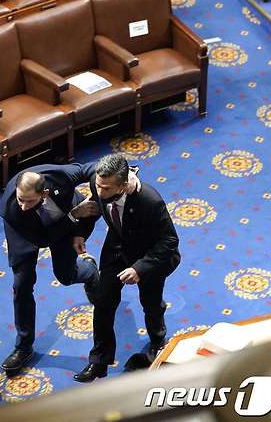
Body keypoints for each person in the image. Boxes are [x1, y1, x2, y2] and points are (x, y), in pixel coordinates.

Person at [0, 163, 140, 375]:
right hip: (26, 234)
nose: (24, 205)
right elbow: (42, 239)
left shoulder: (58, 178)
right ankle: (23, 346)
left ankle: (90, 272)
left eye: (29, 200)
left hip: (62, 220)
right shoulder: (13, 209)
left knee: (66, 275)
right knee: (22, 284)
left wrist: (125, 176)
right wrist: (74, 215)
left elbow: (90, 169)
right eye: (21, 199)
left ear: (44, 192)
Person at [72, 153, 180, 383]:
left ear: (123, 185)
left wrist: (140, 268)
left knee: (151, 303)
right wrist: (81, 232)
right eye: (98, 186)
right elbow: (95, 206)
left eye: (107, 188)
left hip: (149, 256)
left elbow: (169, 242)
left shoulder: (150, 201)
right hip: (117, 249)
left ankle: (158, 341)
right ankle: (98, 362)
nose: (100, 191)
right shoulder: (100, 182)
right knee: (103, 302)